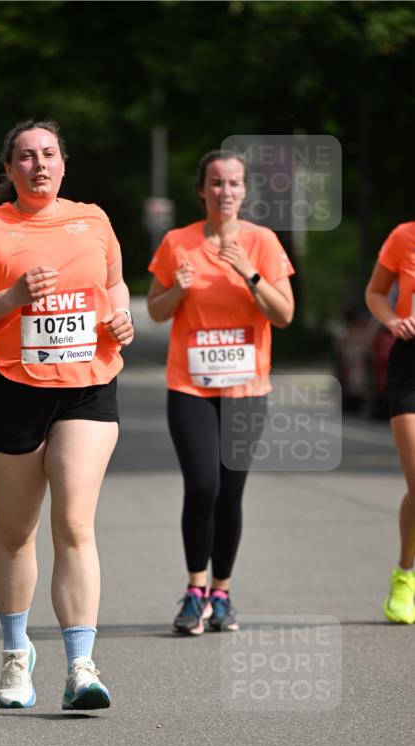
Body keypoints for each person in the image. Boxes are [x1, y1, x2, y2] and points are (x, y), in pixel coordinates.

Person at [0, 118, 134, 710]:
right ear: (9, 170)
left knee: (75, 523)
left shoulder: (93, 219)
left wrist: (121, 318)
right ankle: (14, 652)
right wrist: (13, 298)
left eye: (48, 154)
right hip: (12, 388)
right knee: (15, 531)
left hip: (88, 385)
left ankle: (81, 665)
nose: (39, 165)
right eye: (25, 157)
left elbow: (116, 286)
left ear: (64, 163)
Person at [147, 149, 295, 634]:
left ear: (245, 191)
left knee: (230, 492)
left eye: (233, 183)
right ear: (201, 190)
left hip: (246, 388)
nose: (224, 192)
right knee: (203, 486)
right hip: (190, 386)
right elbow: (156, 310)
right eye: (215, 183)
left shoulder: (263, 242)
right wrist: (179, 290)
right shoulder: (178, 242)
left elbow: (284, 314)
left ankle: (222, 593)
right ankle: (194, 591)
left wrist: (248, 273)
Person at [365, 221, 415, 624]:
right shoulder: (403, 236)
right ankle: (404, 575)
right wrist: (392, 321)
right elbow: (376, 292)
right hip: (409, 366)